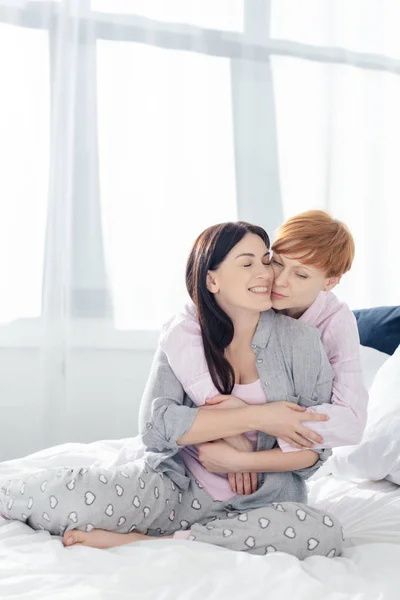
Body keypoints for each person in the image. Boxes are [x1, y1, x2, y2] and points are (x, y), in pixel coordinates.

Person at [0, 222, 343, 559]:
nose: (265, 272)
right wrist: (259, 417)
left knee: (323, 532)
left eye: (266, 260)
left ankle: (150, 543)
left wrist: (238, 459)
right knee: (70, 495)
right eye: (247, 262)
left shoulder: (303, 343)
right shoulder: (184, 337)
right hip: (172, 490)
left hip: (260, 505)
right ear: (212, 279)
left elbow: (315, 452)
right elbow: (157, 426)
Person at [156, 210, 368, 495]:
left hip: (271, 468)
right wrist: (237, 419)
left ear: (330, 283)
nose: (278, 281)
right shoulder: (254, 291)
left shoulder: (334, 322)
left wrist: (244, 459)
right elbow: (183, 324)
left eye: (301, 275)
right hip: (199, 459)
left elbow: (351, 421)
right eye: (276, 263)